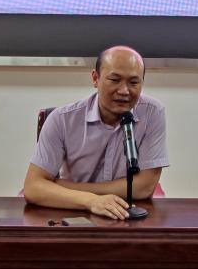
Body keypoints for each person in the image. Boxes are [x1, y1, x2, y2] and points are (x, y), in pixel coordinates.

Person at [24, 45, 168, 220]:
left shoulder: (152, 112)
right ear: (95, 78)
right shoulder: (62, 119)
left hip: (129, 212)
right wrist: (91, 200)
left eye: (133, 83)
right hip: (75, 212)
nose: (124, 91)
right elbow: (33, 187)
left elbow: (143, 187)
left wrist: (67, 187)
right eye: (114, 80)